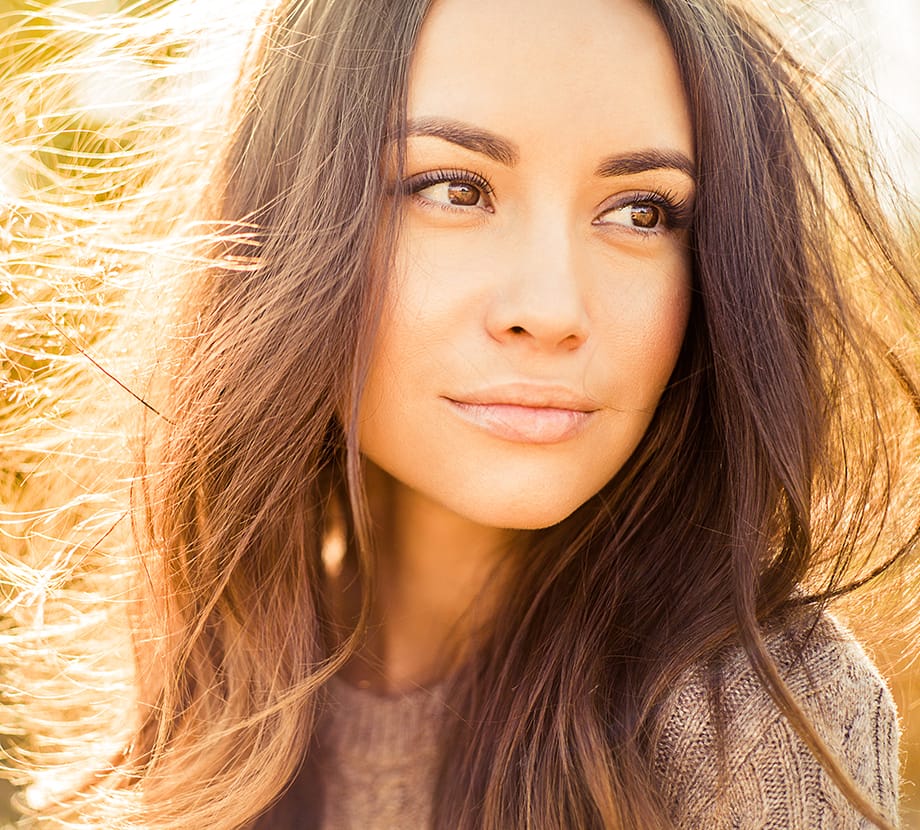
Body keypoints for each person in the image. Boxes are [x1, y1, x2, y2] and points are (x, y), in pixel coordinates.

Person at [2, 0, 918, 827]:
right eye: (455, 189)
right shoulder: (204, 695)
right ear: (286, 225)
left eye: (641, 212)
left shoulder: (753, 712)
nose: (553, 308)